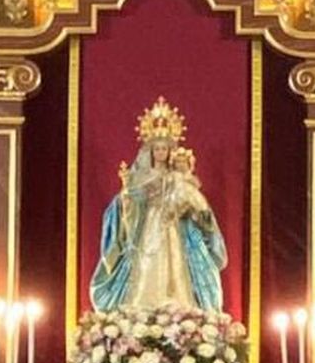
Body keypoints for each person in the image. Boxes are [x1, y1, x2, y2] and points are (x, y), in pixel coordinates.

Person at [90, 101, 227, 314]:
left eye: (164, 148)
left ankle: (178, 311)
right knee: (146, 263)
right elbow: (127, 204)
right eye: (157, 148)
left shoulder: (177, 177)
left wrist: (191, 208)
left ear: (171, 151)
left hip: (173, 228)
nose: (161, 152)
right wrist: (126, 198)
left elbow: (192, 203)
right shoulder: (141, 176)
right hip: (148, 227)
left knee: (175, 265)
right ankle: (141, 309)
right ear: (150, 151)